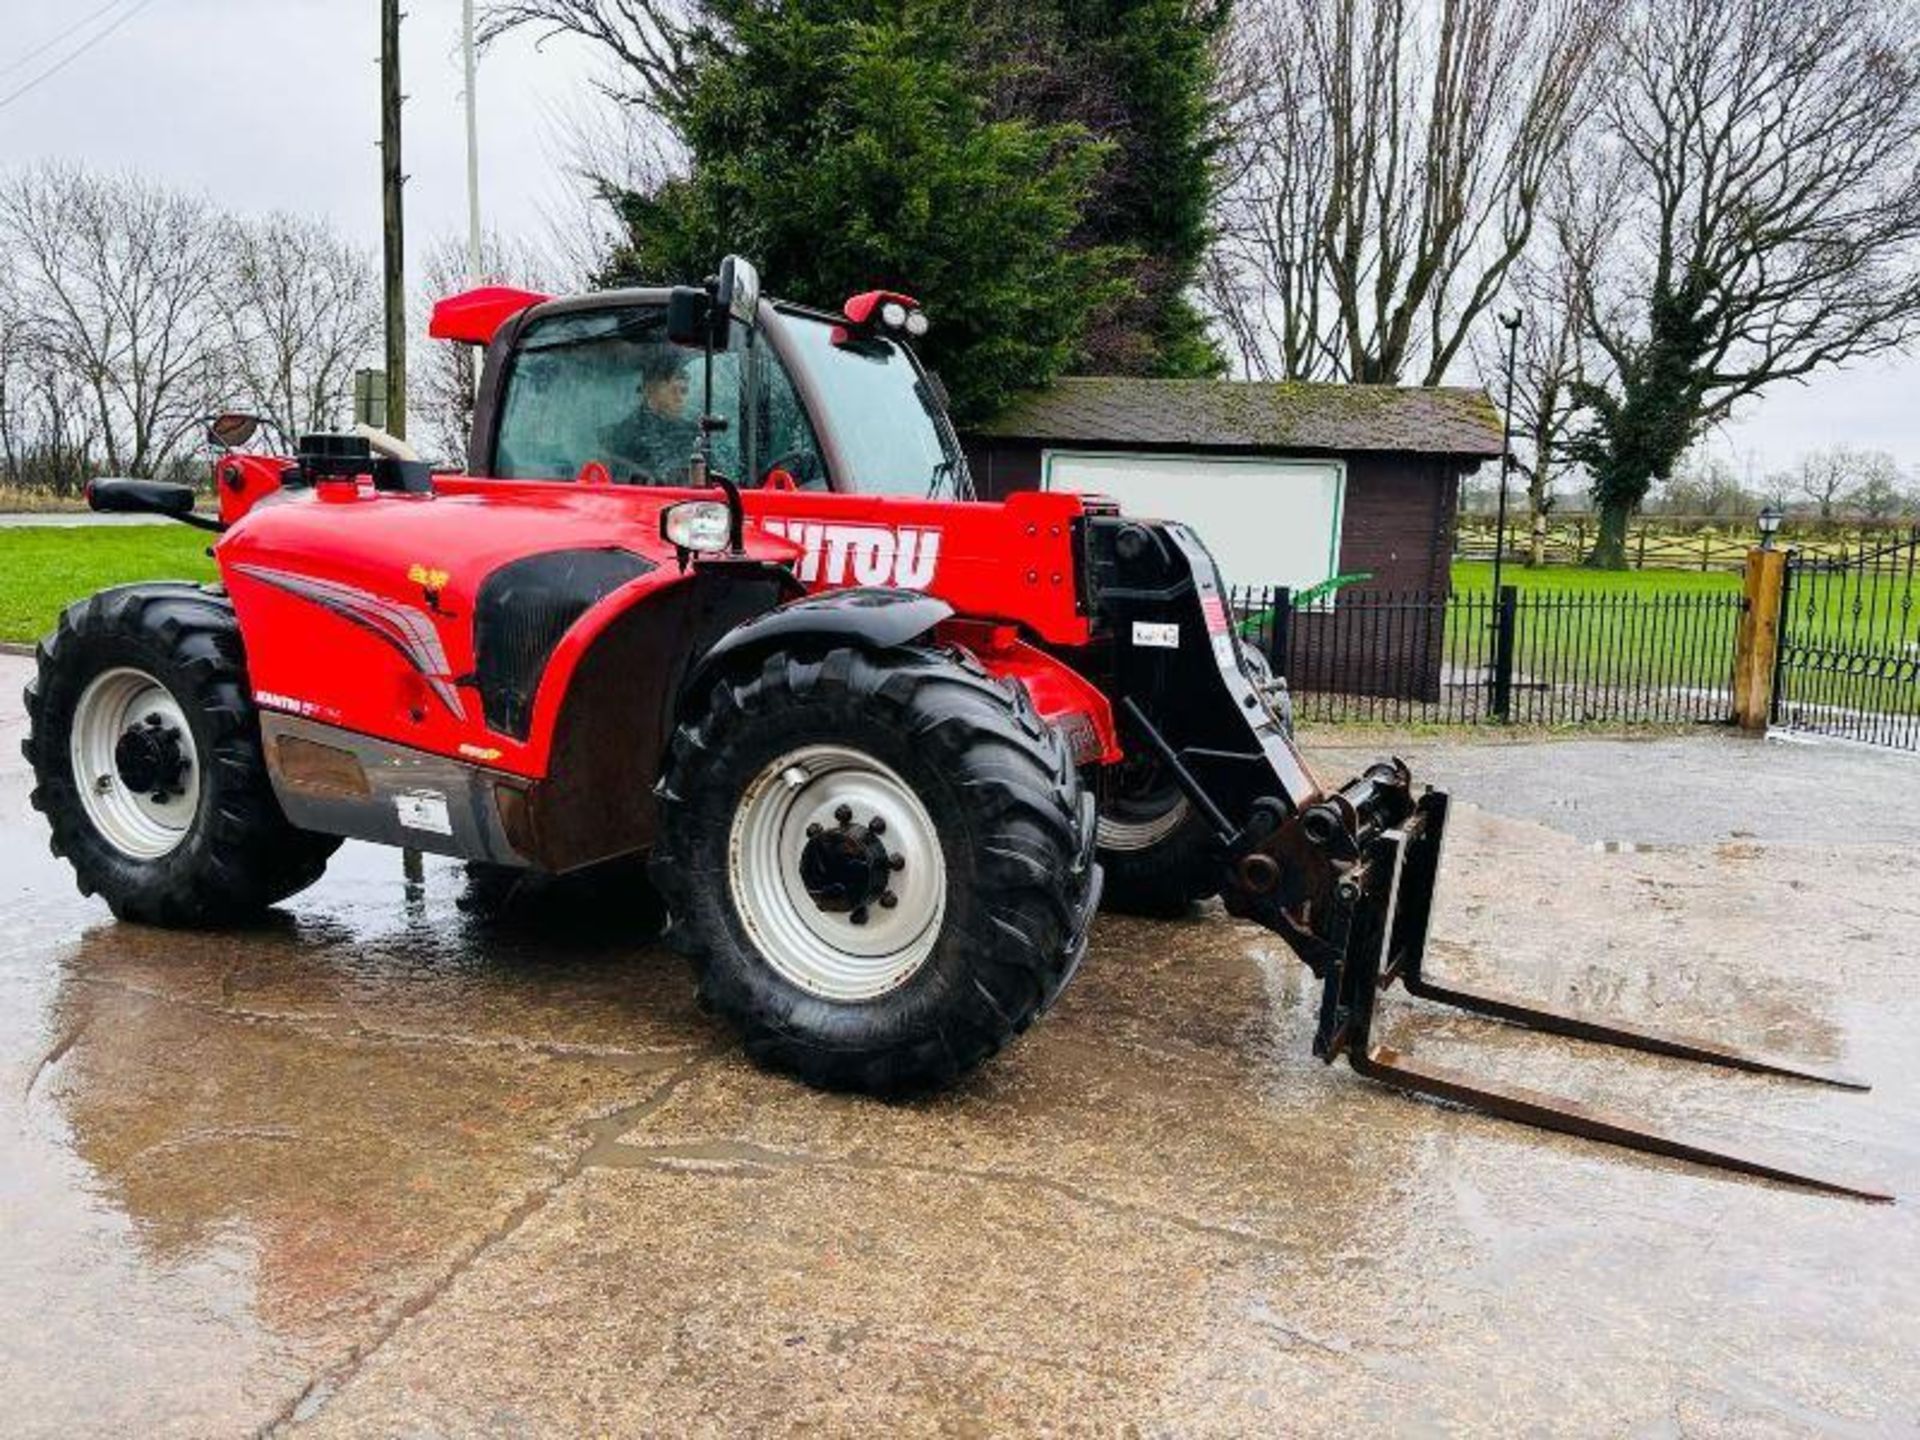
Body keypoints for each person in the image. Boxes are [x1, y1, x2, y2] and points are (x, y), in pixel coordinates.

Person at [601, 347, 700, 485]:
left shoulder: (693, 433)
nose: (680, 399)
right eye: (674, 390)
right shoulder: (623, 435)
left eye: (684, 392)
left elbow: (713, 479)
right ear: (649, 389)